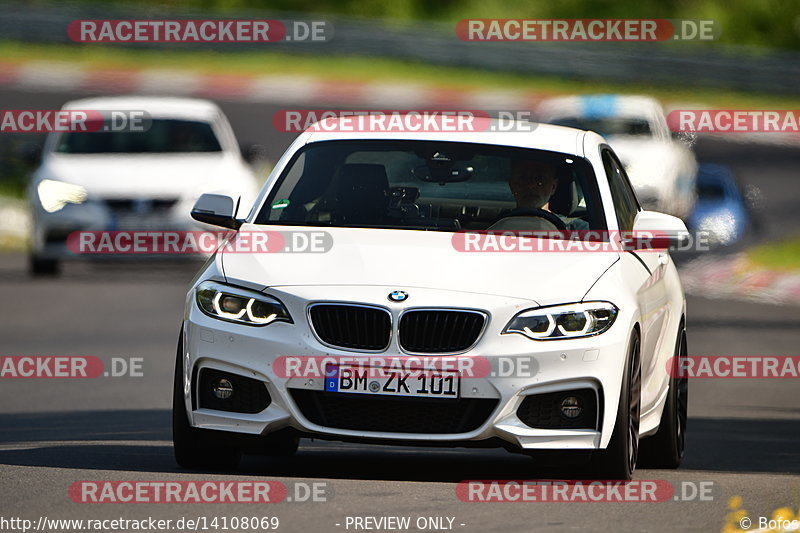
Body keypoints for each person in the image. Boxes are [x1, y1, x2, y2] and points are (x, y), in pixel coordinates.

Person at [502, 158, 589, 230]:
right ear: (512, 185)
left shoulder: (578, 232)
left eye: (540, 179)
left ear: (553, 187)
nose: (530, 185)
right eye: (522, 178)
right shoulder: (492, 225)